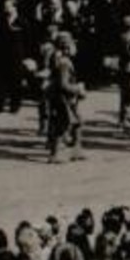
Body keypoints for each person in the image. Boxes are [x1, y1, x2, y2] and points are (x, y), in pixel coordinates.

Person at [45, 32, 85, 163]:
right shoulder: (64, 63)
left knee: (77, 121)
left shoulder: (57, 58)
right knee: (62, 124)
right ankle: (54, 154)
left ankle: (76, 150)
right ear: (66, 46)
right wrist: (78, 89)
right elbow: (63, 84)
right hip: (63, 98)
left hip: (62, 97)